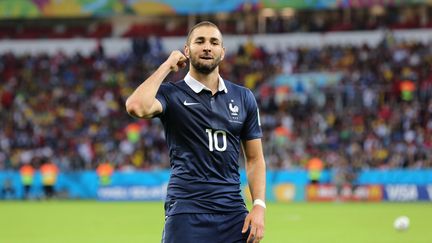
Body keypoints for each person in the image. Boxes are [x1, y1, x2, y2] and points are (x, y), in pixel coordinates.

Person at [125, 21, 266, 243]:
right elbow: (136, 106)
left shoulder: (243, 97)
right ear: (187, 51)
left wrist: (259, 205)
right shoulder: (171, 94)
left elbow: (255, 158)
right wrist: (167, 66)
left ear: (223, 52)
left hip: (232, 212)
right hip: (186, 210)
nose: (207, 47)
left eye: (214, 42)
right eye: (200, 41)